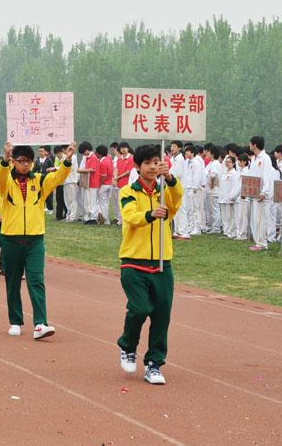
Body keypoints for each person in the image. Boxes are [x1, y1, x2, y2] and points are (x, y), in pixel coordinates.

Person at [0, 140, 75, 340]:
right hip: (11, 239)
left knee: (36, 280)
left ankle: (40, 323)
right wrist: (4, 159)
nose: (26, 165)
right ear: (13, 162)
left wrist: (67, 160)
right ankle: (15, 321)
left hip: (35, 240)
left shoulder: (39, 181)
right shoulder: (6, 183)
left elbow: (57, 178)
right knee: (12, 282)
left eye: (29, 161)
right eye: (21, 161)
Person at [116, 144, 183, 385]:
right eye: (148, 163)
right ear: (137, 167)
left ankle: (154, 364)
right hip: (134, 263)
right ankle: (128, 345)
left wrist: (170, 178)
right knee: (140, 309)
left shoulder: (164, 190)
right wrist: (150, 215)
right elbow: (130, 217)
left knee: (162, 315)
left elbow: (177, 200)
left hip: (163, 264)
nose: (153, 167)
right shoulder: (128, 192)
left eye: (157, 162)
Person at [247, 136, 274, 251]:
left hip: (262, 195)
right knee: (254, 220)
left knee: (261, 220)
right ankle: (258, 242)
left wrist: (264, 192)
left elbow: (267, 176)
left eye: (251, 143)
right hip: (253, 194)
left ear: (255, 145)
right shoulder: (254, 159)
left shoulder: (265, 158)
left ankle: (262, 244)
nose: (249, 145)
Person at [77, 142, 99, 225]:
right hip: (87, 182)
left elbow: (92, 169)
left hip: (92, 182)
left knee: (91, 200)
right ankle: (89, 217)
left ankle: (93, 217)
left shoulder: (93, 157)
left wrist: (81, 171)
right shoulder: (87, 157)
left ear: (87, 150)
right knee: (87, 200)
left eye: (83, 152)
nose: (84, 154)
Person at [218, 155, 241, 238]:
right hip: (223, 198)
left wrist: (232, 196)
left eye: (229, 162)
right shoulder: (225, 172)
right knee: (224, 217)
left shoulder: (234, 174)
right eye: (226, 162)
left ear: (234, 163)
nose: (227, 163)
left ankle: (231, 232)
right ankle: (226, 231)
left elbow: (234, 186)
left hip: (229, 198)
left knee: (230, 217)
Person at [96, 144, 115, 225]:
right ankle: (104, 219)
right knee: (105, 202)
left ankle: (105, 220)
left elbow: (104, 176)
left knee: (102, 202)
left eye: (97, 153)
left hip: (104, 184)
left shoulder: (103, 162)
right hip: (109, 183)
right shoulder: (109, 158)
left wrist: (99, 186)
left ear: (99, 154)